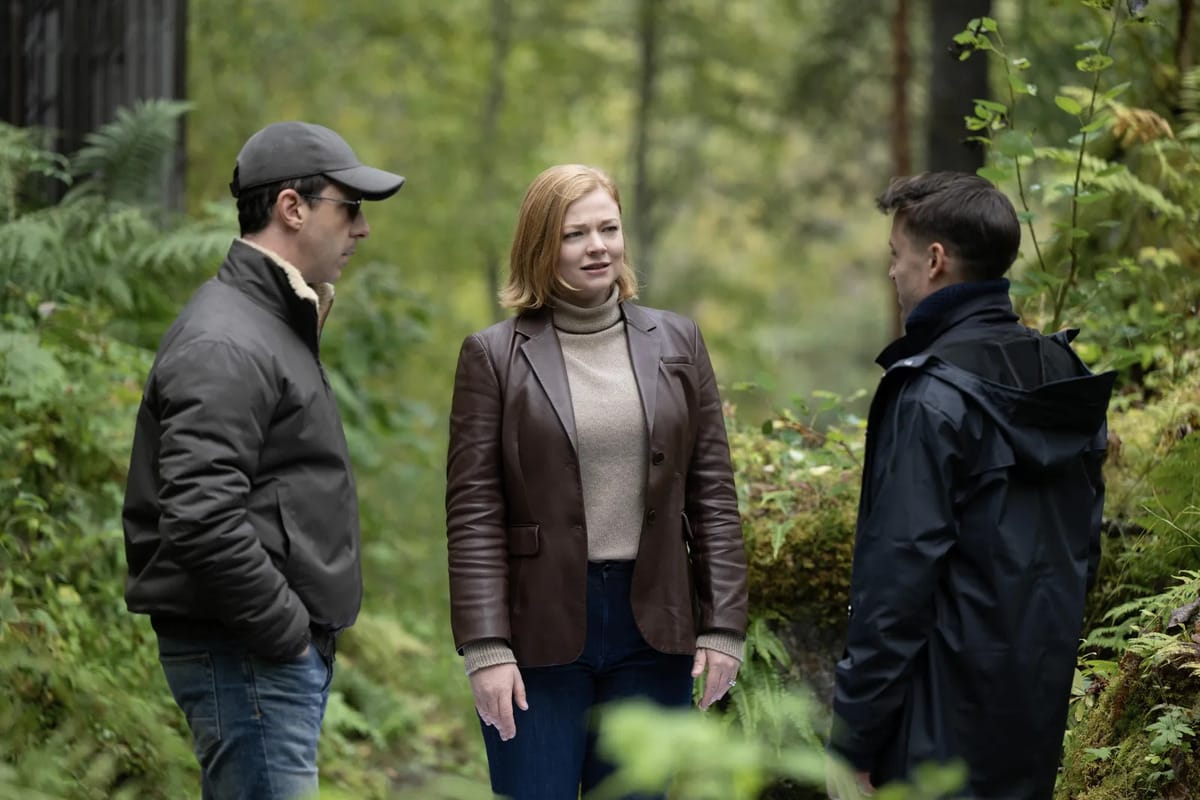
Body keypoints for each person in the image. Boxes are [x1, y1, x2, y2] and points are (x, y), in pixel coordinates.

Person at [445, 164, 749, 800]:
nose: (598, 247)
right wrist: (486, 647)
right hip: (537, 628)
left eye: (608, 228)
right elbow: (474, 514)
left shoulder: (679, 342)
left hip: (655, 623)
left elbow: (713, 497)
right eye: (574, 234)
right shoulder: (492, 356)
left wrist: (723, 625)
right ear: (540, 245)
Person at [122, 121, 404, 800]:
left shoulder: (267, 323)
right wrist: (285, 633)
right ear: (291, 207)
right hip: (248, 654)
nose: (362, 229)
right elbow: (200, 517)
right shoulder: (227, 339)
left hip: (258, 654)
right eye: (350, 207)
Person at [827, 172, 1116, 799]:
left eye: (896, 255)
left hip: (932, 728)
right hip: (1034, 714)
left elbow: (895, 585)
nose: (892, 273)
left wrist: (852, 740)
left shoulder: (929, 396)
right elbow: (1082, 554)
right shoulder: (1066, 375)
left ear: (935, 260)